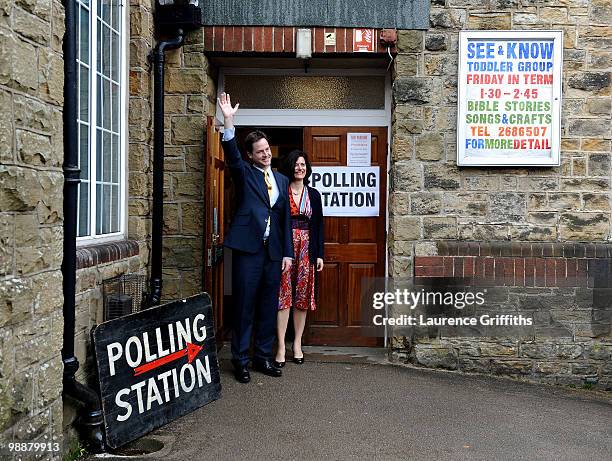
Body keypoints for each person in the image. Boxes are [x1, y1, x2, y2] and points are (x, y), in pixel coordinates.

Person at [217, 92, 293, 383]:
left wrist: (287, 253)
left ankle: (262, 357)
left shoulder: (282, 180)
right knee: (244, 306)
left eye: (267, 149)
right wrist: (229, 121)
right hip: (248, 250)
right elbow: (231, 155)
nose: (265, 154)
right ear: (251, 155)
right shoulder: (244, 172)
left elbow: (285, 219)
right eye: (259, 151)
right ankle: (241, 360)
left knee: (266, 307)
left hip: (273, 253)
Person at [274, 150, 324, 367]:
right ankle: (280, 346)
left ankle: (297, 344)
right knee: (283, 297)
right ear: (289, 167)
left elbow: (319, 226)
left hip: (307, 250)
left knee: (301, 297)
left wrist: (319, 254)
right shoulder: (281, 192)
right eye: (295, 164)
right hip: (286, 249)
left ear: (307, 168)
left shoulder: (314, 195)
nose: (299, 168)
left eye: (303, 164)